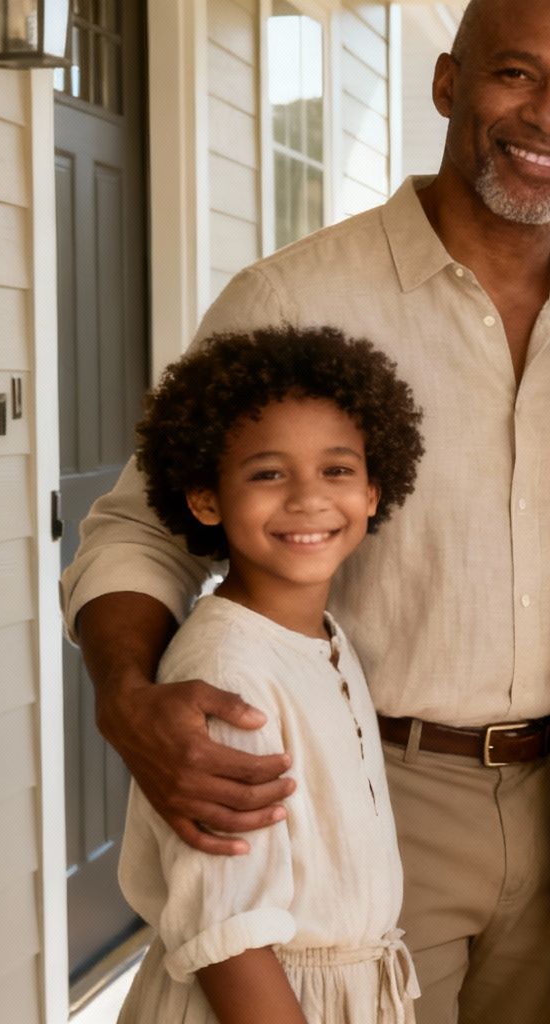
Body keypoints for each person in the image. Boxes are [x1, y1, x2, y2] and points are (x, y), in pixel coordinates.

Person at [61, 0, 550, 1024]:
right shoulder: (294, 298)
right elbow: (137, 523)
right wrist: (127, 701)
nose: (549, 116)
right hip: (357, 787)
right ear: (446, 84)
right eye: (515, 74)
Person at [115, 325, 426, 1024]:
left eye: (337, 470)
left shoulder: (321, 636)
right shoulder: (229, 676)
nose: (308, 498)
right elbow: (231, 937)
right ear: (205, 498)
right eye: (267, 473)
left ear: (374, 491)